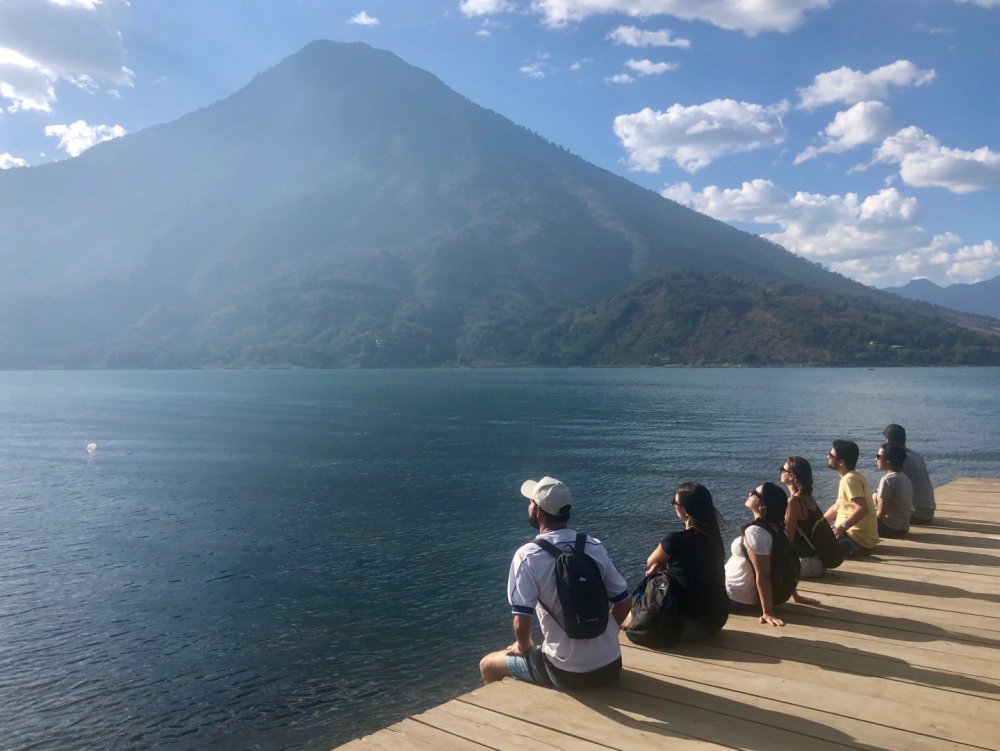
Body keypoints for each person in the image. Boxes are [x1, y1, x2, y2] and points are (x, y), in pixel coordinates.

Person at [479, 476, 632, 689]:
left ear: (538, 511)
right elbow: (624, 602)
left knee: (488, 664)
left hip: (566, 673)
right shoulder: (593, 545)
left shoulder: (527, 556)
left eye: (531, 502)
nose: (529, 506)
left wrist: (523, 647)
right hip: (611, 665)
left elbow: (521, 623)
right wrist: (606, 633)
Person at [642, 482, 729, 642]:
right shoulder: (714, 539)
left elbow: (650, 561)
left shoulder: (675, 540)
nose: (673, 505)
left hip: (693, 626)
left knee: (636, 614)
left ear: (685, 510)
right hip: (717, 620)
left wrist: (661, 566)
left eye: (674, 502)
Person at [725, 482, 803, 627]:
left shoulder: (755, 532)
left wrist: (767, 612)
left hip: (736, 596)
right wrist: (795, 595)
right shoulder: (778, 527)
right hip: (740, 592)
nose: (749, 493)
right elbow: (784, 560)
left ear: (762, 506)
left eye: (754, 493)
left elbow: (764, 574)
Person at [824, 440, 878, 555]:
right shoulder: (854, 476)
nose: (828, 456)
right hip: (854, 536)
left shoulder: (849, 480)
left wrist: (841, 527)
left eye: (831, 455)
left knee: (819, 545)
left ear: (841, 462)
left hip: (857, 540)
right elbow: (837, 507)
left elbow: (862, 509)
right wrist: (820, 522)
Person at [780, 457, 827, 579]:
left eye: (782, 469)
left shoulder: (794, 501)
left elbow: (788, 538)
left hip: (805, 564)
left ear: (791, 476)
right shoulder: (809, 497)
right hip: (818, 561)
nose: (780, 471)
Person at [883, 424, 935, 524]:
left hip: (917, 514)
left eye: (886, 440)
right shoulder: (915, 456)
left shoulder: (901, 460)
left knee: (877, 499)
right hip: (928, 510)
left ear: (890, 441)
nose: (885, 443)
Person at [873, 441, 913, 538]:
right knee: (874, 495)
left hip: (890, 529)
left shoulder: (887, 480)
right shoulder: (904, 477)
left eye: (878, 456)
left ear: (887, 460)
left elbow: (881, 514)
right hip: (903, 527)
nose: (876, 459)